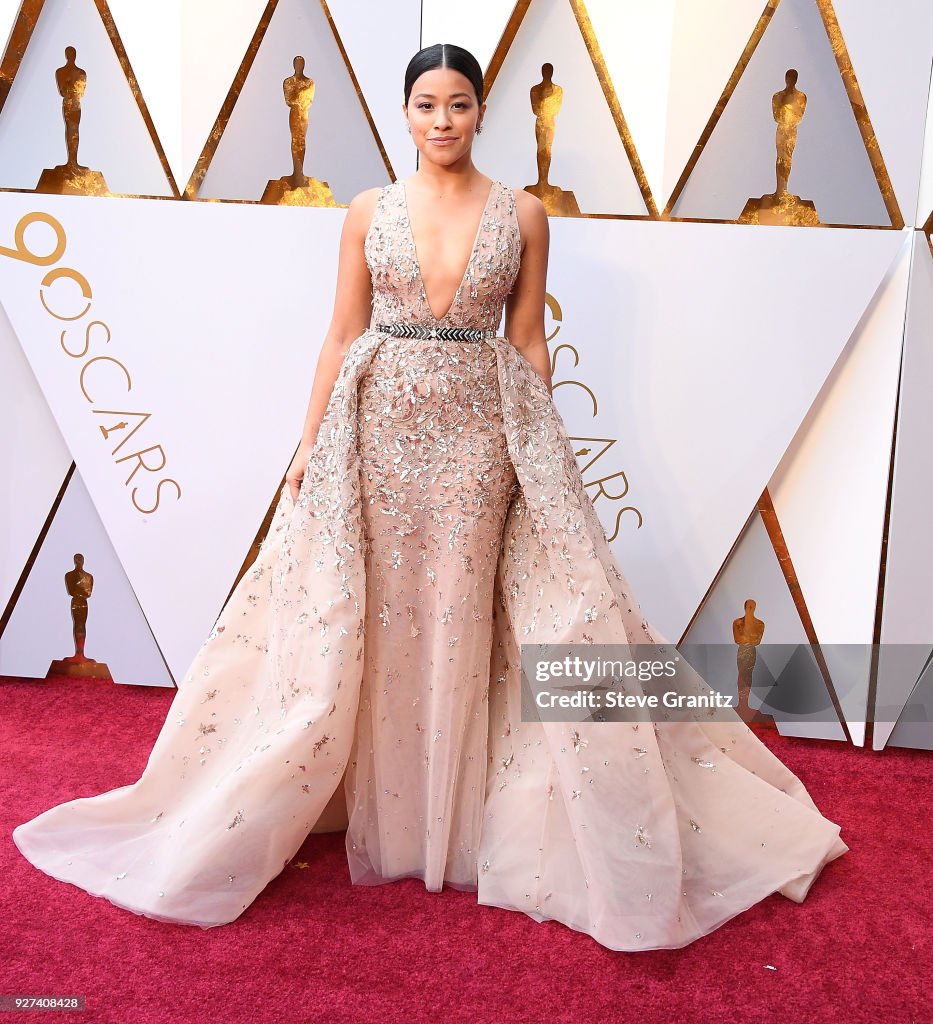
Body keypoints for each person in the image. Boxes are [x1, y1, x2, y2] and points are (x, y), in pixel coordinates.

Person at [12, 43, 848, 951]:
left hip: (481, 437)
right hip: (373, 431)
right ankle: (378, 802)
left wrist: (543, 455)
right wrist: (309, 445)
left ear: (481, 111)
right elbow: (340, 335)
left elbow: (527, 342)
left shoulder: (524, 215)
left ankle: (455, 814)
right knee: (370, 608)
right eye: (424, 104)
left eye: (456, 103)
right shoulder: (368, 210)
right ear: (403, 115)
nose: (440, 120)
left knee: (464, 605)